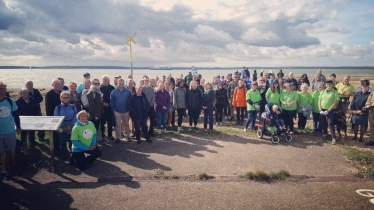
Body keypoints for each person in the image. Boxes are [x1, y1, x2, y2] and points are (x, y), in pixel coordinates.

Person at [0, 82, 22, 179]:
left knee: (8, 151)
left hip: (10, 130)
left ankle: (5, 170)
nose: (1, 90)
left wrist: (18, 127)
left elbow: (16, 115)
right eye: (0, 88)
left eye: (3, 88)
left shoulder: (10, 101)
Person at [54, 92, 77, 159]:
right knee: (62, 141)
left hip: (71, 127)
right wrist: (63, 126)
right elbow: (56, 118)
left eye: (67, 97)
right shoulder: (57, 108)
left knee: (72, 141)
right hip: (61, 127)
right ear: (61, 98)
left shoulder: (73, 107)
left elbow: (75, 117)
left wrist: (71, 125)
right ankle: (64, 154)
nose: (65, 99)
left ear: (69, 98)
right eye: (64, 97)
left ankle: (73, 156)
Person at [110, 78, 131, 143]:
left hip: (126, 111)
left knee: (126, 124)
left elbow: (130, 101)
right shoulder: (114, 92)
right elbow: (111, 101)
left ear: (124, 83)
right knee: (118, 125)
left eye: (122, 83)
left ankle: (127, 136)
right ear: (117, 83)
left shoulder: (128, 91)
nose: (121, 84)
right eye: (120, 83)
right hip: (117, 111)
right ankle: (118, 137)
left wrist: (129, 109)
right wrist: (113, 109)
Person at [318, 80, 339, 145]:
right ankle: (325, 134)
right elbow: (319, 101)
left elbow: (335, 102)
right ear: (326, 85)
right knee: (324, 122)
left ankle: (333, 138)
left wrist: (329, 110)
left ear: (332, 85)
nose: (328, 86)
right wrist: (320, 109)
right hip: (322, 109)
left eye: (330, 84)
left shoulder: (335, 92)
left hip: (330, 110)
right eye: (327, 84)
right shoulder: (323, 92)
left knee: (330, 123)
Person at [45, 79, 62, 154]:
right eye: (55, 84)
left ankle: (61, 147)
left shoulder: (61, 93)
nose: (57, 85)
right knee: (54, 133)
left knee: (60, 132)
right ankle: (55, 149)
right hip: (53, 116)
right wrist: (50, 117)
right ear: (52, 85)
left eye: (58, 84)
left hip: (61, 116)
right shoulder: (49, 94)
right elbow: (48, 107)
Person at [100, 75, 115, 140]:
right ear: (102, 80)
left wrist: (109, 104)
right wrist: (102, 103)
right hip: (102, 108)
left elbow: (114, 98)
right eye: (104, 80)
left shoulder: (112, 88)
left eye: (106, 79)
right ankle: (103, 135)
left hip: (110, 107)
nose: (105, 81)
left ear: (108, 80)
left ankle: (110, 135)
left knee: (110, 122)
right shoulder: (100, 88)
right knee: (102, 122)